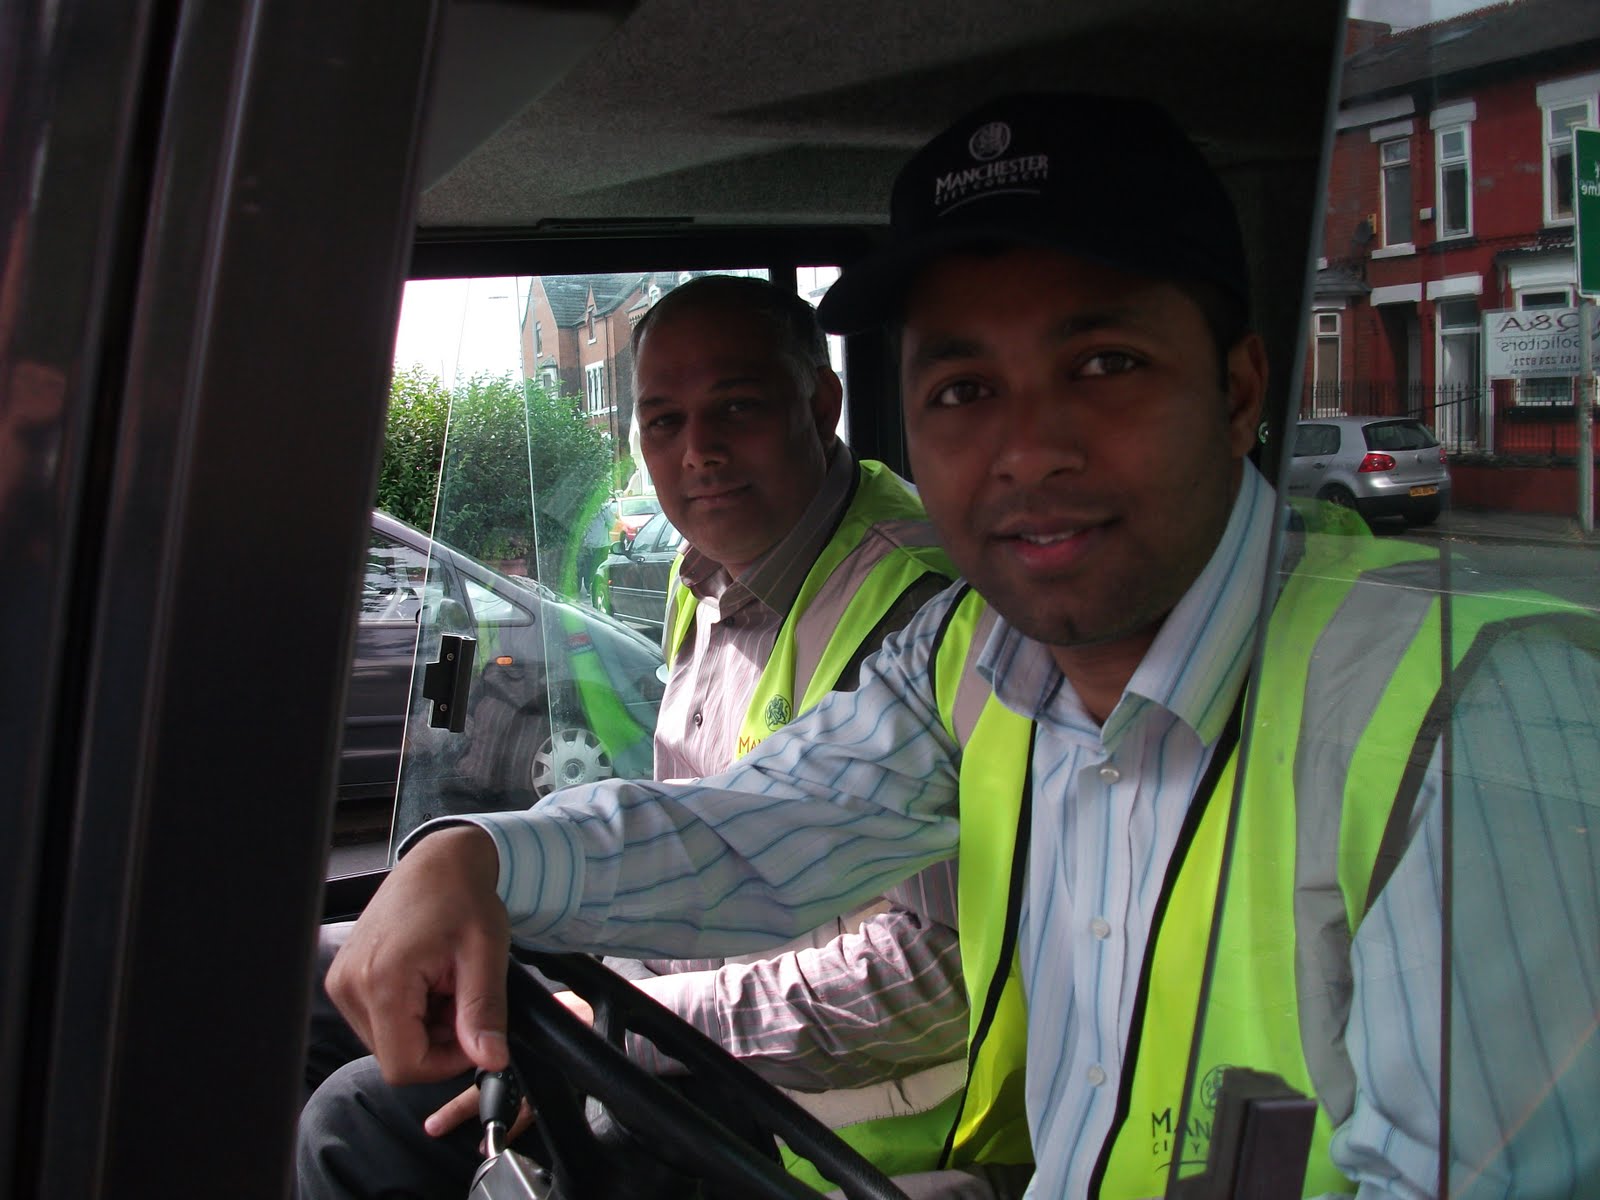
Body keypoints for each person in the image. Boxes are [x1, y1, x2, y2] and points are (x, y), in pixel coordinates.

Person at [325, 93, 1600, 1199]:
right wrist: (481, 855)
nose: (1026, 450)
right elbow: (756, 830)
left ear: (1238, 389)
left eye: (1102, 363)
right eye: (963, 390)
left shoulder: (1470, 717)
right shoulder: (976, 654)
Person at [299, 274, 985, 1198]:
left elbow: (933, 979)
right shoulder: (708, 570)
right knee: (318, 987)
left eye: (736, 407)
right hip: (669, 986)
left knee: (357, 1123)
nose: (699, 451)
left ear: (820, 406)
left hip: (819, 1113)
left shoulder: (931, 613)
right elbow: (721, 823)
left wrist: (624, 1033)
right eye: (663, 421)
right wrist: (476, 861)